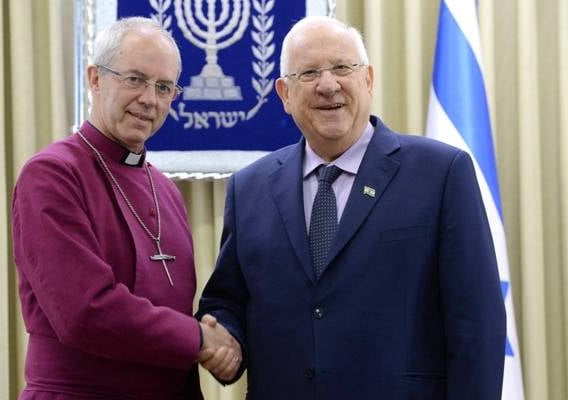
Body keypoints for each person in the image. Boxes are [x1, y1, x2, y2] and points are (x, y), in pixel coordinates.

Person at [197, 15, 506, 399]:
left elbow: (476, 323)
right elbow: (228, 300)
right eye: (308, 73)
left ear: (368, 79)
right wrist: (223, 337)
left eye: (343, 67)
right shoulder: (250, 187)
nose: (329, 85)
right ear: (284, 94)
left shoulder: (441, 173)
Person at [12, 17, 240, 400]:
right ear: (95, 78)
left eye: (164, 87)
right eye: (134, 79)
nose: (149, 99)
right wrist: (200, 337)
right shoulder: (51, 174)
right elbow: (85, 312)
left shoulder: (165, 190)